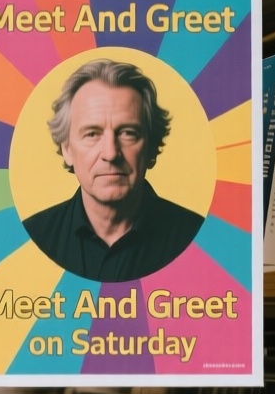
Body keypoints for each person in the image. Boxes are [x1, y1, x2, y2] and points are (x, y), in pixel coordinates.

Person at [22, 58, 204, 282]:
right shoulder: (33, 238)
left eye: (128, 133)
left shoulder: (197, 238)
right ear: (67, 149)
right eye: (92, 134)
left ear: (151, 147)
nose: (110, 153)